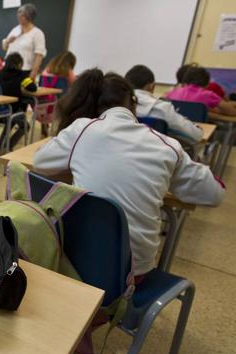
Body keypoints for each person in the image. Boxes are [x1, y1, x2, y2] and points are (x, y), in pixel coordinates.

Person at [34, 69, 225, 278]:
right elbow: (214, 194)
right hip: (131, 275)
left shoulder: (82, 129)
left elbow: (40, 161)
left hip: (72, 263)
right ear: (133, 103)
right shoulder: (167, 146)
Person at [125, 64, 203, 145]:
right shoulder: (162, 108)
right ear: (152, 86)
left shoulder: (118, 105)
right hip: (157, 154)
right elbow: (196, 135)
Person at [0, 52, 37, 151]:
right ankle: (8, 145)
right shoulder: (22, 76)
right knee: (25, 126)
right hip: (13, 110)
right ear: (20, 64)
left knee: (11, 121)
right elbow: (33, 88)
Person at [167, 66, 236, 116]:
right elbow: (232, 111)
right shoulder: (208, 95)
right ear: (207, 83)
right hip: (197, 130)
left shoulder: (172, 93)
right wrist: (217, 111)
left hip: (172, 130)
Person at [1, 3, 46, 79]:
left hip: (24, 70)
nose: (19, 17)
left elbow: (39, 55)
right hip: (7, 69)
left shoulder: (37, 33)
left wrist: (34, 72)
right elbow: (4, 48)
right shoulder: (15, 30)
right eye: (18, 14)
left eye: (22, 15)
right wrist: (7, 41)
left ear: (29, 17)